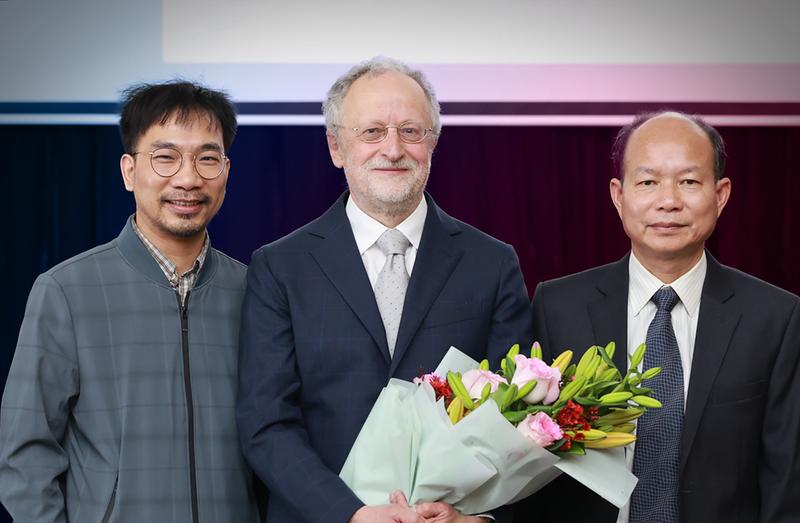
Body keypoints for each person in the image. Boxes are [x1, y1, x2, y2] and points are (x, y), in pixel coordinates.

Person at [236, 57, 533, 523]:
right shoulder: (280, 267)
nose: (393, 149)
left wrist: (477, 519)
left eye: (411, 132)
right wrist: (350, 514)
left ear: (433, 143)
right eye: (372, 131)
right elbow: (266, 423)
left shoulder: (492, 264)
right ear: (336, 147)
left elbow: (519, 418)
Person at [518, 111, 800, 523]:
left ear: (720, 195)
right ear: (619, 195)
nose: (668, 201)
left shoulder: (775, 317)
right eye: (648, 182)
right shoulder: (557, 306)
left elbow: (786, 479)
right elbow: (532, 467)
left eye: (689, 181)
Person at [0, 81, 260, 522]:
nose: (188, 178)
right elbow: (25, 453)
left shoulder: (255, 293)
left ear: (226, 171)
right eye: (165, 157)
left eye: (207, 158)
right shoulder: (66, 290)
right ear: (128, 170)